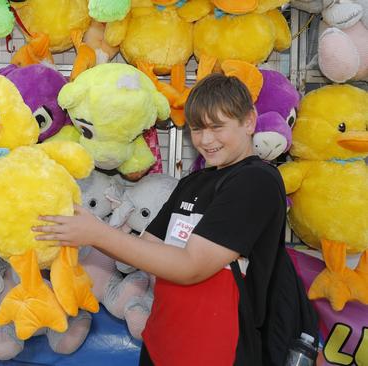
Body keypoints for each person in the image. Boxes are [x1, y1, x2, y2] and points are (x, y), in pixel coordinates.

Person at [33, 74, 287, 365]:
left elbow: (192, 266)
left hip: (217, 350)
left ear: (249, 121)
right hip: (162, 342)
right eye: (197, 129)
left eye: (217, 127)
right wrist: (84, 228)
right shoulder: (192, 184)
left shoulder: (255, 181)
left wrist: (97, 233)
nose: (206, 140)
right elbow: (145, 250)